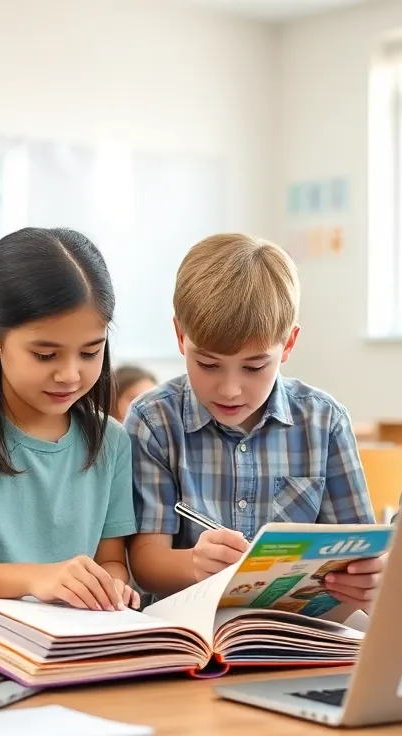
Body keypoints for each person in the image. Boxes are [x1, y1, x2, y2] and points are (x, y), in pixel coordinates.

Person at [123, 233, 383, 610]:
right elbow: (146, 562)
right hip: (187, 632)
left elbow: (363, 551)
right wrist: (194, 563)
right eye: (208, 364)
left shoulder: (324, 423)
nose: (230, 390)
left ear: (288, 344)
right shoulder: (154, 421)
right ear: (181, 336)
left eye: (255, 366)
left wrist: (372, 577)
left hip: (298, 634)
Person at [0, 227, 138, 611]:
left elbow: (111, 560)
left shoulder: (110, 439)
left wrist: (111, 586)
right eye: (46, 355)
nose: (69, 374)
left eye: (89, 352)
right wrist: (39, 577)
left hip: (74, 645)